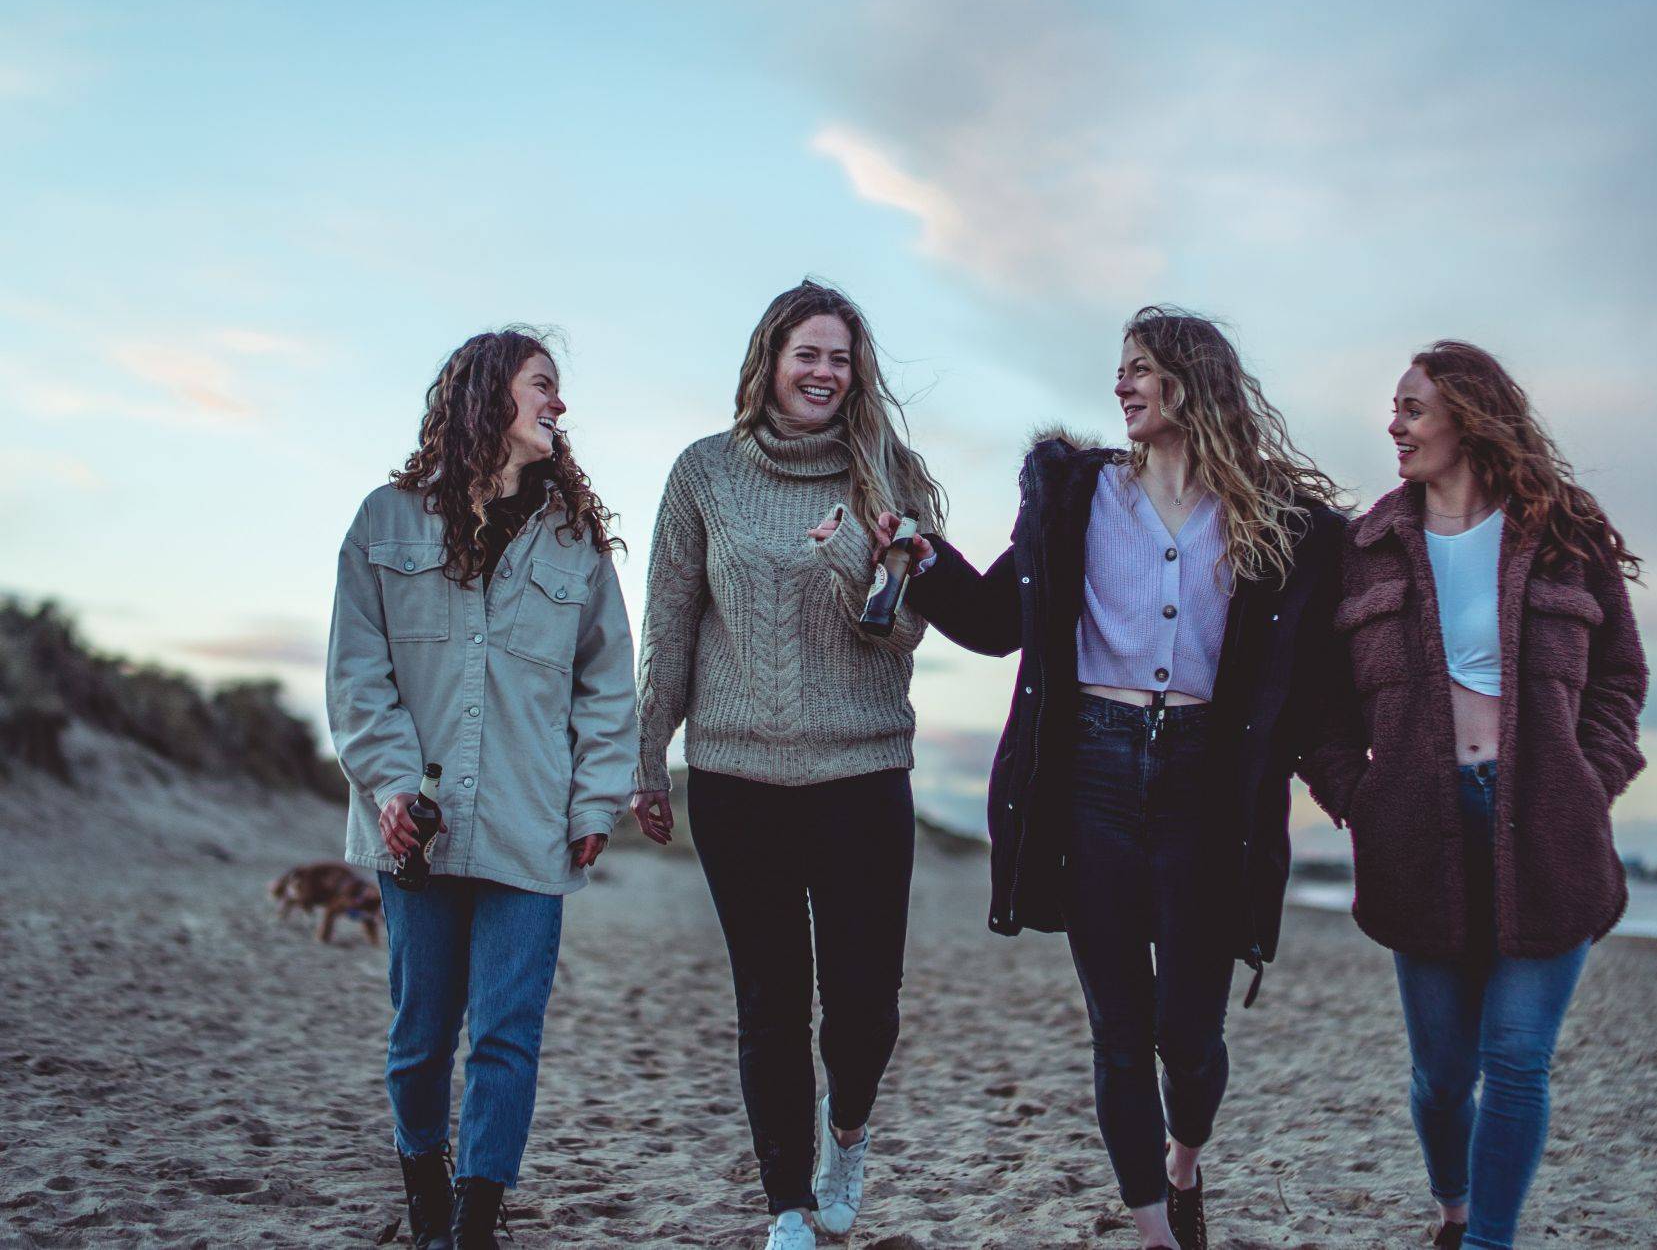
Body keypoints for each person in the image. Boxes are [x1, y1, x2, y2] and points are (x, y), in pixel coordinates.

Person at [899, 307, 1361, 1250]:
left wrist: (1366, 782)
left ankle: (1184, 1163)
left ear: (1191, 382)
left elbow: (1312, 683)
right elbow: (994, 620)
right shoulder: (1074, 496)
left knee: (1189, 1035)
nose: (1121, 385)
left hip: (1206, 786)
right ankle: (1155, 1232)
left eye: (1140, 368)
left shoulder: (1277, 521)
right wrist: (917, 554)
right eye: (1120, 369)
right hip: (1092, 776)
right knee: (1117, 1028)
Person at [631, 280, 945, 1250]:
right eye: (806, 352)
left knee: (864, 1007)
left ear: (857, 373)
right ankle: (787, 1208)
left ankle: (846, 1128)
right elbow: (671, 623)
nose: (822, 371)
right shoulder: (703, 474)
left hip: (860, 773)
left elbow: (902, 637)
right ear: (769, 358)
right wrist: (648, 754)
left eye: (839, 357)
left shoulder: (892, 474)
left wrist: (859, 549)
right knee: (769, 1001)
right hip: (735, 778)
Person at [1320, 341, 1648, 1250]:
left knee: (1515, 1060)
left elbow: (1619, 677)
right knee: (1440, 1075)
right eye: (1393, 409)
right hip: (1416, 832)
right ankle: (1453, 1207)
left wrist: (1594, 778)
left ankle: (1487, 1241)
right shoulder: (1368, 547)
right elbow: (1319, 703)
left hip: (1546, 824)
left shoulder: (1563, 533)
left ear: (1469, 415)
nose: (1394, 425)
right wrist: (1358, 794)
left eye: (1412, 409)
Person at [326, 328, 636, 1249]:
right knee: (421, 1031)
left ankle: (474, 1224)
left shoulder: (577, 542)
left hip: (530, 827)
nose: (560, 403)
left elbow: (606, 684)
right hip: (411, 827)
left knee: (506, 1035)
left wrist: (593, 804)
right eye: (544, 384)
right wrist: (387, 785)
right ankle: (425, 1195)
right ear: (487, 395)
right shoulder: (384, 521)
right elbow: (357, 675)